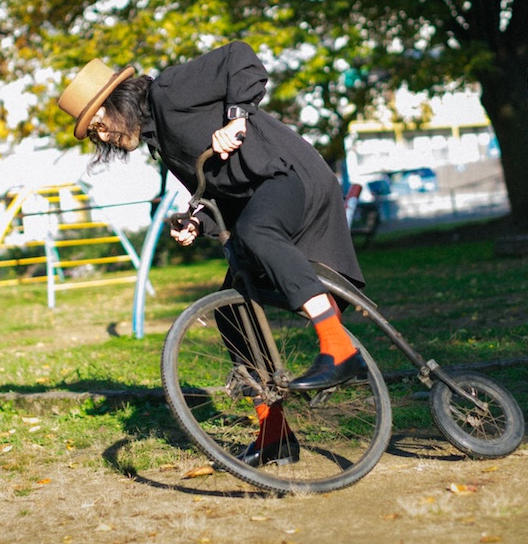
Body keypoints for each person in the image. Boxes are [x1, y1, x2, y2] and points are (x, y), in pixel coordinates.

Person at [57, 40, 366, 466]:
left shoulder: (168, 92)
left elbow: (241, 57)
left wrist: (236, 119)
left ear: (118, 101)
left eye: (99, 122)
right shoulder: (161, 139)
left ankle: (338, 346)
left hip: (288, 177)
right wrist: (196, 222)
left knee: (257, 231)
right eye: (93, 133)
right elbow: (218, 189)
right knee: (231, 312)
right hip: (259, 196)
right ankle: (274, 433)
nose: (101, 134)